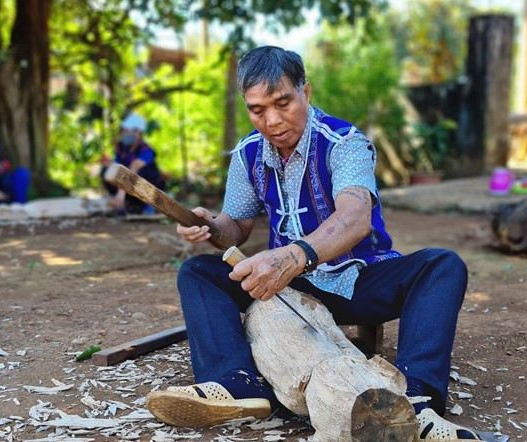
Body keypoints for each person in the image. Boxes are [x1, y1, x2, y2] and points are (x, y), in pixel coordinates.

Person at [145, 46, 481, 441]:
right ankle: (237, 383)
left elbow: (354, 217)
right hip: (286, 289)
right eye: (257, 110)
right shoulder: (248, 153)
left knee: (442, 265)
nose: (272, 121)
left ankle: (415, 402)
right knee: (198, 272)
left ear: (305, 91)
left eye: (283, 103)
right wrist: (208, 225)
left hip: (358, 280)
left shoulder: (344, 142)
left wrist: (294, 256)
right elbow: (236, 225)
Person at [101, 113, 166, 214]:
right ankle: (124, 204)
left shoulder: (146, 150)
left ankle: (147, 205)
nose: (124, 134)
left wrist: (121, 193)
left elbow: (134, 167)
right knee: (107, 171)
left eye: (126, 131)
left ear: (137, 133)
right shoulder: (121, 148)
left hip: (147, 189)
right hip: (128, 189)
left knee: (143, 172)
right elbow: (116, 166)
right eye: (123, 131)